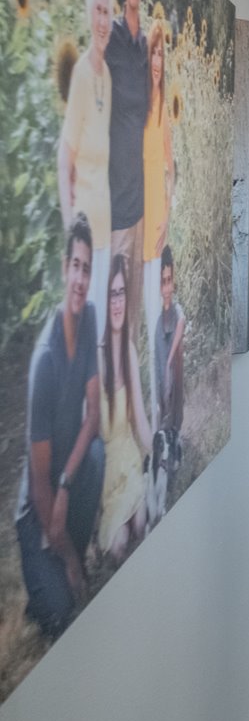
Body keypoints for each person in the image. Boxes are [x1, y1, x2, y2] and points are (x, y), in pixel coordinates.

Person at [15, 218, 105, 639]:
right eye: (76, 266)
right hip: (38, 509)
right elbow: (39, 490)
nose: (81, 278)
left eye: (88, 269)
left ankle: (65, 563)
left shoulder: (88, 319)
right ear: (63, 268)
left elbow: (93, 418)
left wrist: (68, 484)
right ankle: (53, 573)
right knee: (59, 619)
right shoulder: (44, 361)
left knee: (97, 454)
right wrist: (68, 557)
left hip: (60, 486)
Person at [59, 0, 116, 320]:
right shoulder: (80, 75)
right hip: (84, 242)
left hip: (105, 236)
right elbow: (64, 160)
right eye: (97, 10)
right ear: (87, 14)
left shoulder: (107, 77)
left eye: (107, 11)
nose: (102, 21)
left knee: (97, 343)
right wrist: (71, 234)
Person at [94, 252, 153, 566]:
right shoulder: (97, 357)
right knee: (118, 545)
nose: (116, 302)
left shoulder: (129, 349)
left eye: (121, 293)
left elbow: (140, 419)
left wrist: (156, 451)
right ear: (104, 302)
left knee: (141, 524)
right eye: (111, 294)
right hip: (108, 473)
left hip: (130, 460)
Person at [105, 0, 151, 334]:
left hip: (141, 204)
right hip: (115, 205)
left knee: (131, 324)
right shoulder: (113, 40)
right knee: (112, 322)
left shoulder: (142, 47)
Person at [141, 23, 173, 374]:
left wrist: (169, 211)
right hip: (132, 220)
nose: (157, 60)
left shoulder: (163, 109)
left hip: (155, 225)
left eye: (162, 53)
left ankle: (156, 401)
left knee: (154, 315)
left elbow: (171, 165)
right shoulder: (138, 106)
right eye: (153, 51)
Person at [152, 245, 187, 479]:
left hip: (172, 370)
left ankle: (174, 441)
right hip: (161, 371)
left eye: (169, 281)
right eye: (162, 282)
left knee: (172, 391)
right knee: (162, 400)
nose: (167, 288)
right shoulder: (157, 316)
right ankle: (164, 448)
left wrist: (168, 363)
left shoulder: (175, 311)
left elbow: (182, 322)